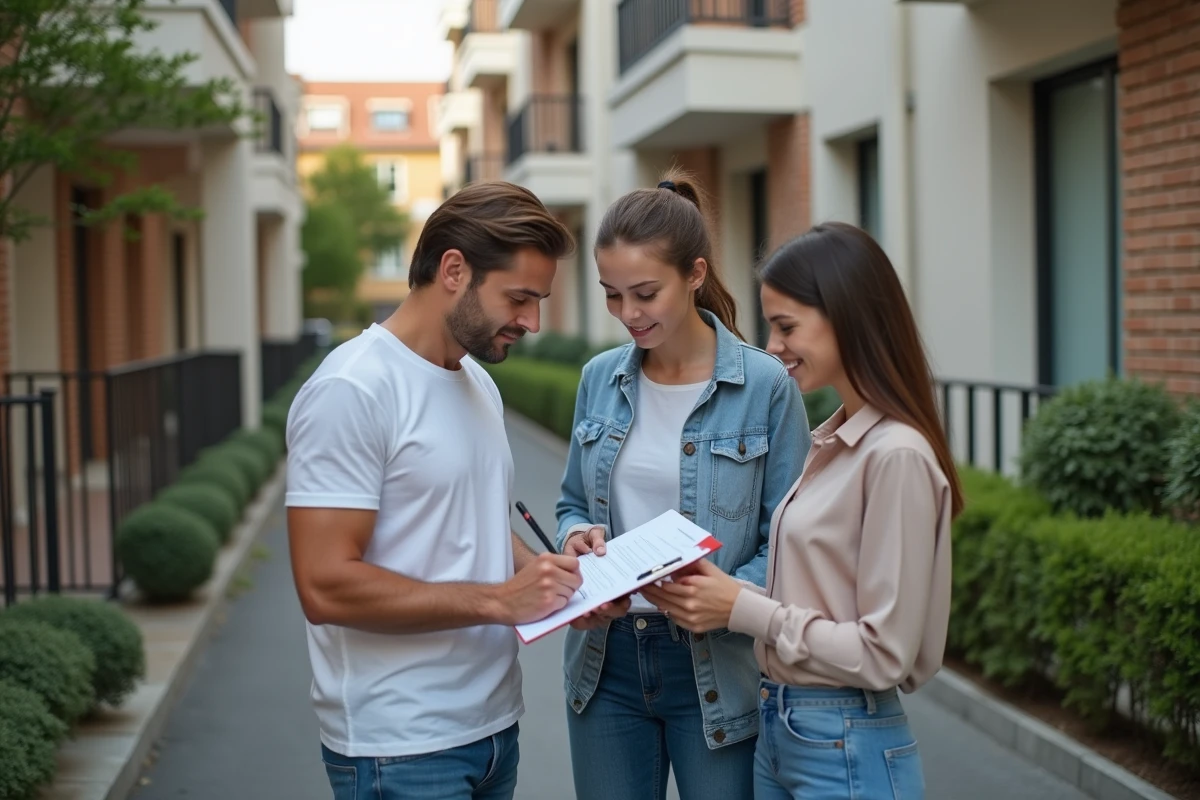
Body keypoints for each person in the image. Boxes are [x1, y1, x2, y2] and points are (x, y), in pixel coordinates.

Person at [641, 221, 964, 800]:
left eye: (787, 326)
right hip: (782, 728)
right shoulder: (834, 443)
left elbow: (883, 653)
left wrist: (742, 609)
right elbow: (819, 601)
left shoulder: (896, 457)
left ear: (849, 318)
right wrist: (720, 596)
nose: (772, 346)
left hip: (845, 736)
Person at [285, 182, 583, 800]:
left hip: (495, 727)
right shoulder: (353, 389)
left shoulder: (478, 381)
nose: (531, 321)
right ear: (454, 269)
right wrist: (500, 602)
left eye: (538, 301)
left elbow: (469, 529)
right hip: (400, 746)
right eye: (519, 298)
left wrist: (557, 581)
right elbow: (323, 584)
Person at [555, 170, 810, 800]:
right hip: (604, 663)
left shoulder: (765, 386)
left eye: (645, 293)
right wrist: (576, 539)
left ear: (694, 274)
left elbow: (793, 534)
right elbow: (569, 503)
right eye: (612, 295)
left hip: (717, 665)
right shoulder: (598, 379)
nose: (627, 314)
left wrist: (728, 594)